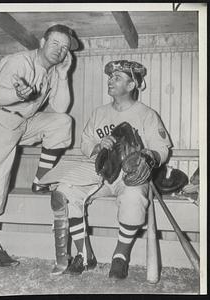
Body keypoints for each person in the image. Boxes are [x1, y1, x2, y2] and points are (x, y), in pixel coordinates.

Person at [45, 59, 172, 279]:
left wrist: (148, 155)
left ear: (132, 85)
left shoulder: (146, 114)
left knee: (134, 196)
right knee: (64, 191)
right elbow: (85, 143)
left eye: (117, 77)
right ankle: (85, 255)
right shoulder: (99, 113)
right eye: (110, 77)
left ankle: (120, 256)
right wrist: (96, 146)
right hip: (100, 173)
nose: (110, 81)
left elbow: (162, 149)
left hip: (129, 176)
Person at [0, 24, 79, 267]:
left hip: (20, 122)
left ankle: (40, 181)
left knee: (62, 123)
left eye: (65, 48)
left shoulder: (53, 72)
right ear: (42, 42)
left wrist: (63, 75)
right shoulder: (20, 62)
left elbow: (60, 108)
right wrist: (21, 94)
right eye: (55, 43)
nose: (60, 50)